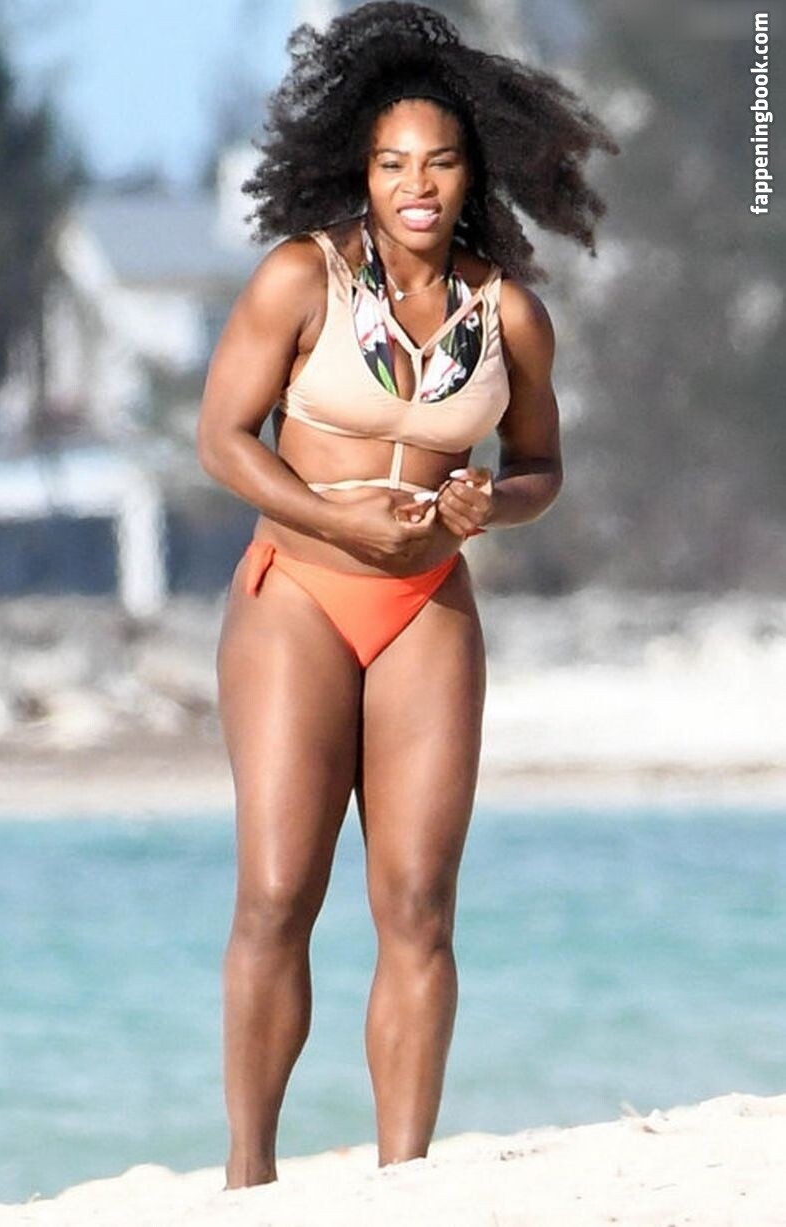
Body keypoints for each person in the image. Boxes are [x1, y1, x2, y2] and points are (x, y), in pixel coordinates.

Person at [197, 0, 618, 1191]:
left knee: (420, 904)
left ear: (471, 167)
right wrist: (333, 519)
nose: (414, 184)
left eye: (436, 161)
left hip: (426, 606)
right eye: (390, 164)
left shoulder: (508, 313)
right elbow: (222, 438)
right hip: (297, 595)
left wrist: (494, 502)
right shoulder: (302, 278)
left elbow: (538, 466)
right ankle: (248, 1179)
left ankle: (405, 1183)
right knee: (277, 894)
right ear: (361, 172)